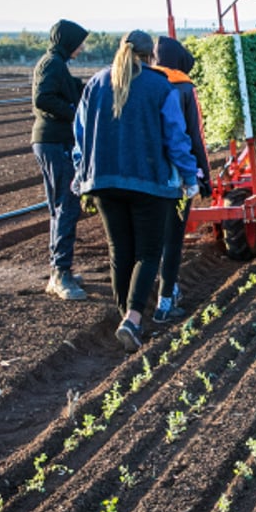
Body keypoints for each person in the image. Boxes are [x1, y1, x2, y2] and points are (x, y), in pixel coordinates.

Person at [72, 30, 200, 352]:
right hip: (148, 181)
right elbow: (176, 135)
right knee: (148, 253)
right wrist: (189, 175)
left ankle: (125, 319)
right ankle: (132, 319)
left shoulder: (97, 83)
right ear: (150, 57)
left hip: (103, 182)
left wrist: (81, 172)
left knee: (120, 252)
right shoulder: (159, 85)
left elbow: (80, 135)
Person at [151, 36, 211, 323]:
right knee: (173, 236)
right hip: (176, 174)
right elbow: (194, 136)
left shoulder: (144, 84)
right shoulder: (184, 87)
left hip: (146, 174)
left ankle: (135, 306)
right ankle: (168, 294)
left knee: (149, 237)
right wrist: (204, 176)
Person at [31, 19, 89, 301]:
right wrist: (73, 113)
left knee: (60, 206)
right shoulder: (51, 64)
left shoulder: (56, 64)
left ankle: (59, 268)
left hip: (53, 141)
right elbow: (43, 98)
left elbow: (68, 90)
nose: (82, 47)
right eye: (80, 42)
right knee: (66, 205)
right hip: (54, 141)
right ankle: (60, 275)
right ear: (68, 41)